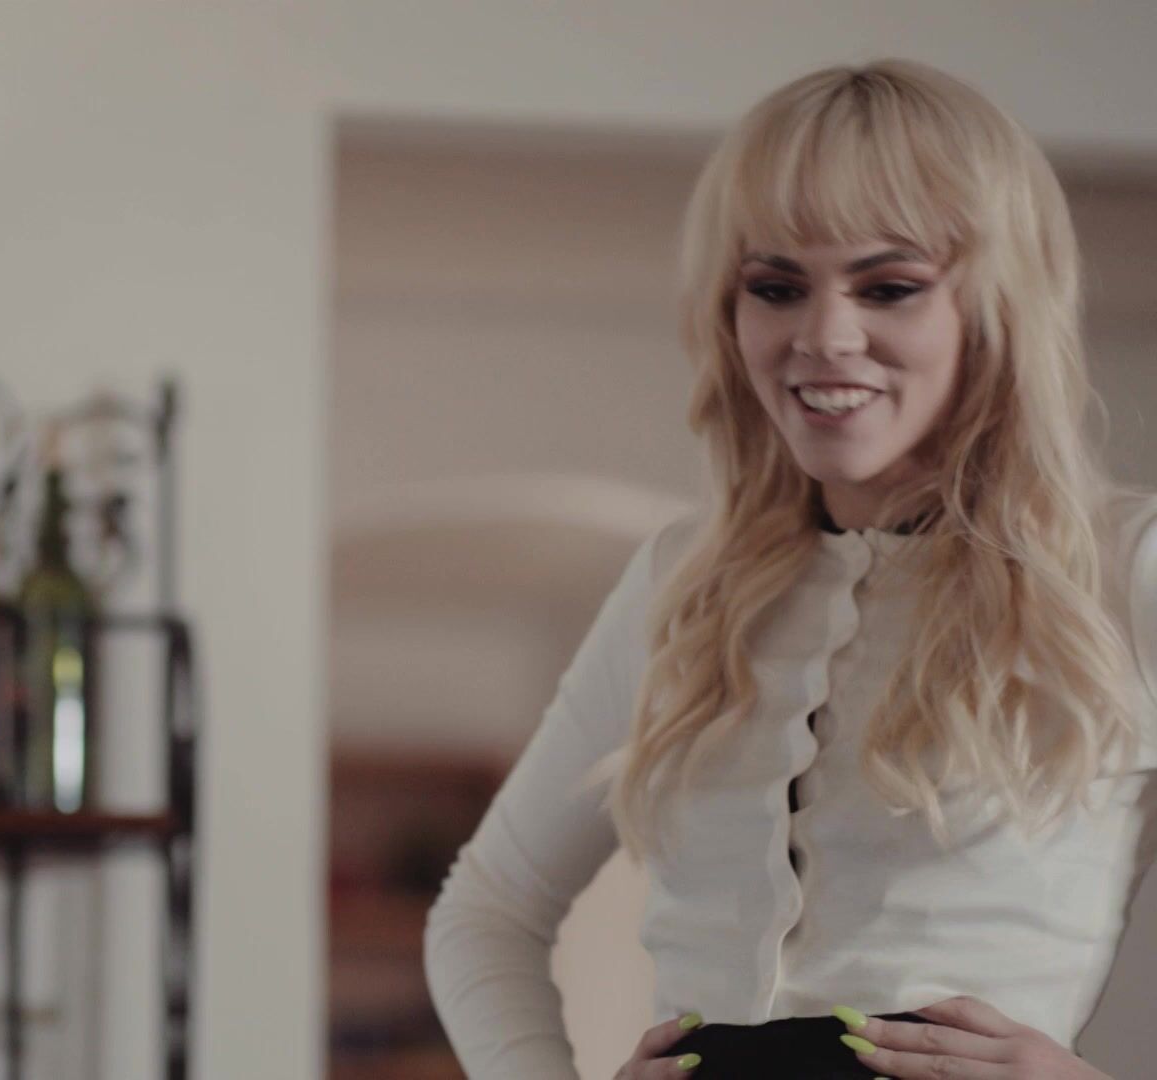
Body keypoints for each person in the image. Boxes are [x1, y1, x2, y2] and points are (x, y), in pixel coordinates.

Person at [423, 58, 1157, 1080]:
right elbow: (487, 910)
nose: (824, 337)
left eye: (889, 287)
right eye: (775, 287)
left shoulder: (1124, 569)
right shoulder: (681, 584)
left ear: (996, 308)